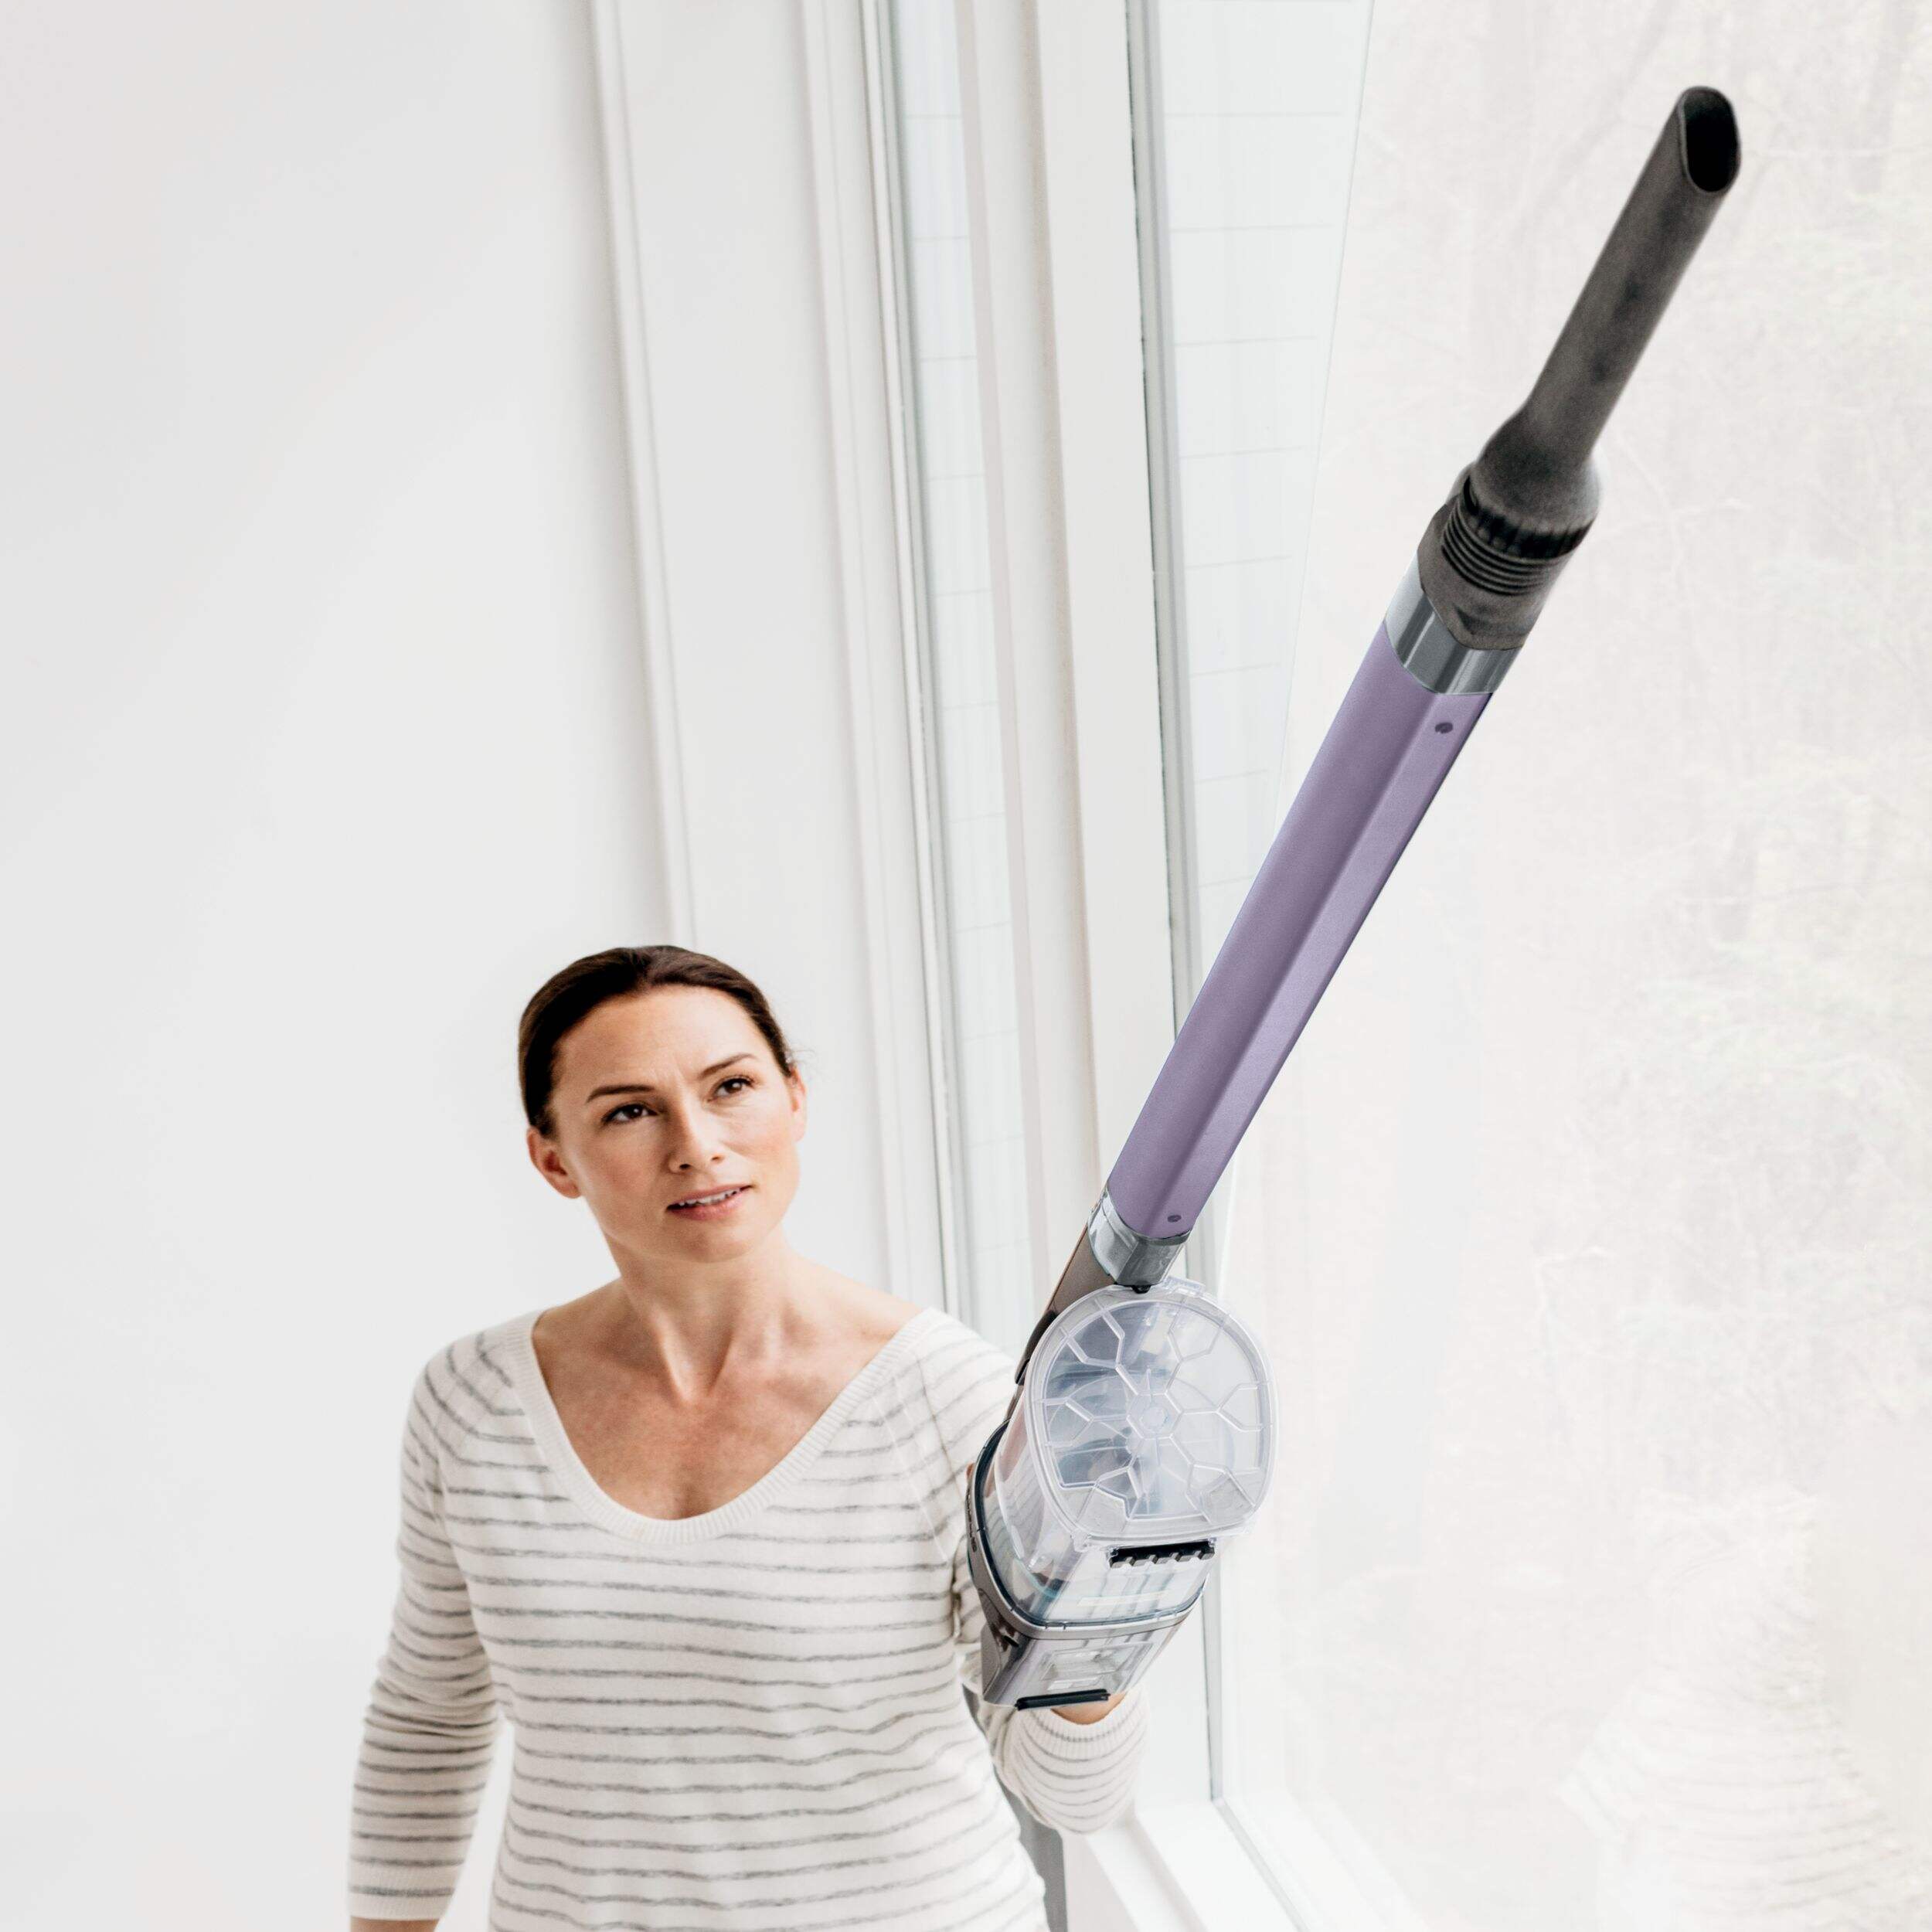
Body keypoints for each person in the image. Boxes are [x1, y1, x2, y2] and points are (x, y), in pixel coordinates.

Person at [346, 944, 1150, 1930]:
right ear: (553, 1158)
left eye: (731, 1086)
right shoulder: (472, 1399)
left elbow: (1074, 1796)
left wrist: (1096, 1609)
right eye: (630, 1111)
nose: (696, 1145)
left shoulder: (948, 1397)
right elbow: (428, 1719)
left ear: (794, 1099)